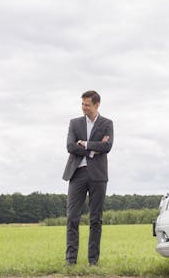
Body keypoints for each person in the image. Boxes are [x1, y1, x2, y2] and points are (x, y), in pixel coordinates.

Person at [62, 90, 114, 266]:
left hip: (98, 176)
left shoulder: (107, 123)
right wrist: (94, 149)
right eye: (82, 104)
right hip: (77, 173)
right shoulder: (74, 123)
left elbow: (107, 146)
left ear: (97, 105)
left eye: (87, 104)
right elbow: (70, 146)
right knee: (72, 217)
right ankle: (70, 261)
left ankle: (93, 262)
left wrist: (85, 144)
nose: (83, 107)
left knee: (95, 219)